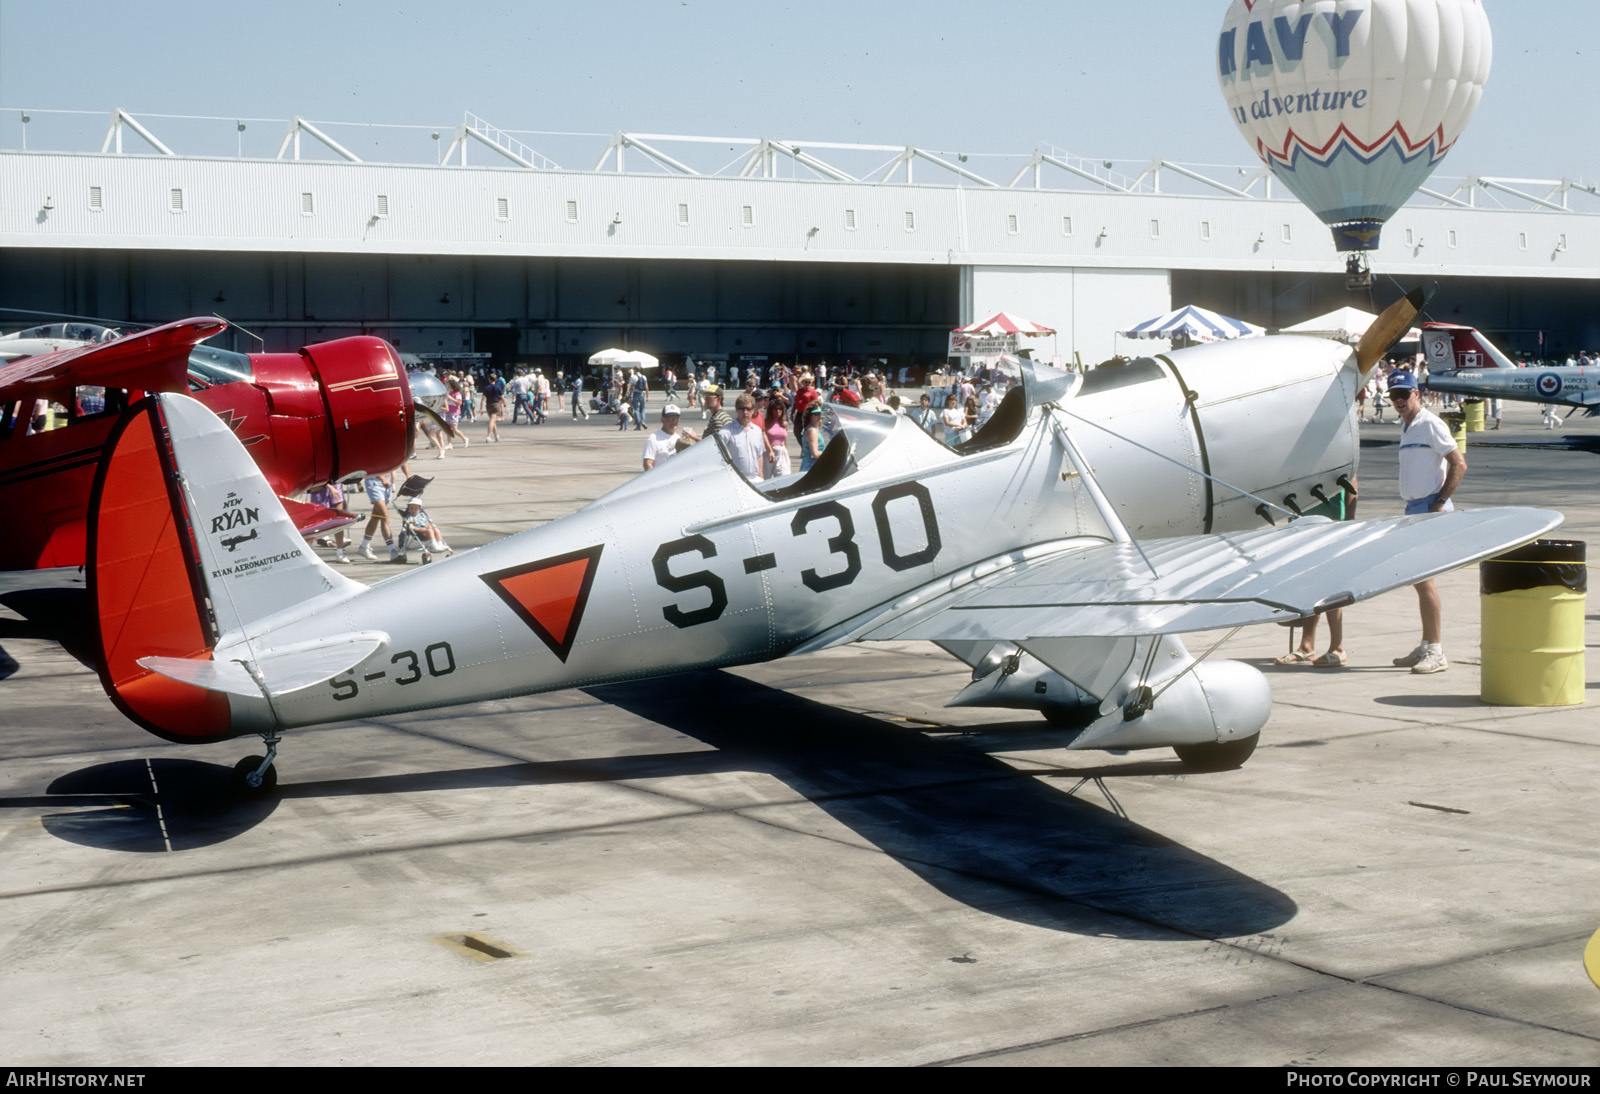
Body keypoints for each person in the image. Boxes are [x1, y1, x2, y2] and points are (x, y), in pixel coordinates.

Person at [1389, 371, 1466, 674]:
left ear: (1417, 394)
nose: (1399, 400)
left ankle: (1435, 650)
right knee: (1419, 581)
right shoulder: (1407, 427)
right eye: (1394, 395)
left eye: (1405, 394)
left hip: (1429, 508)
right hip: (1413, 509)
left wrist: (1439, 502)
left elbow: (1459, 463)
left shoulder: (1430, 424)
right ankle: (1427, 644)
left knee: (1424, 579)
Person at [719, 394, 766, 480]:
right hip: (736, 482)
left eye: (748, 409)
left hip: (756, 480)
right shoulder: (726, 432)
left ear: (753, 410)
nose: (745, 412)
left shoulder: (757, 431)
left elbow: (760, 454)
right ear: (736, 410)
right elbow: (718, 457)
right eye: (742, 409)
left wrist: (760, 475)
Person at [357, 471, 398, 561]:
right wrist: (382, 478)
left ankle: (364, 546)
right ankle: (392, 550)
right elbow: (370, 466)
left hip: (387, 481)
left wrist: (393, 481)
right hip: (374, 481)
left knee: (376, 517)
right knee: (384, 516)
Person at [642, 404, 687, 470]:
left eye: (676, 419)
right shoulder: (654, 438)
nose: (673, 422)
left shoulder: (678, 438)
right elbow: (648, 463)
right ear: (662, 420)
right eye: (670, 419)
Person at [764, 393, 791, 479]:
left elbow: (784, 440)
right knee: (765, 478)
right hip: (768, 452)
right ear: (771, 410)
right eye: (775, 409)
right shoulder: (765, 422)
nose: (778, 411)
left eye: (780, 409)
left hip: (781, 451)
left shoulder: (784, 424)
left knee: (783, 477)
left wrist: (786, 450)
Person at [799, 403, 825, 471]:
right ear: (810, 416)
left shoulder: (813, 429)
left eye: (820, 413)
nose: (819, 416)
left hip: (813, 467)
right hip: (811, 468)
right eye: (816, 414)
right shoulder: (812, 431)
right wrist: (830, 454)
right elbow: (815, 454)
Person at [482, 374, 504, 442]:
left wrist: (480, 408)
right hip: (495, 405)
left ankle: (496, 436)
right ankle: (488, 436)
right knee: (492, 421)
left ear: (489, 379)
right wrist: (505, 405)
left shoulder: (486, 388)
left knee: (492, 420)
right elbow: (502, 397)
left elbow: (483, 399)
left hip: (488, 405)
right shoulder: (497, 388)